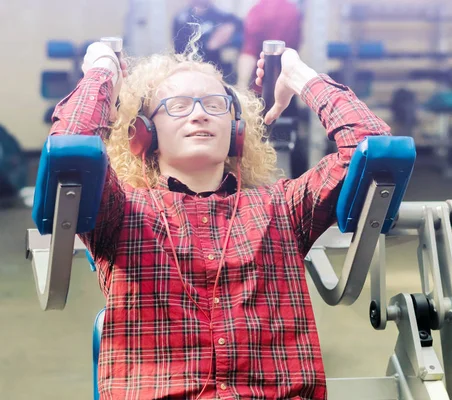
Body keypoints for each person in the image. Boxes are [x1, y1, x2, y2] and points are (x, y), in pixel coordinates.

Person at [48, 28, 390, 399]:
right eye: (178, 106)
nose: (200, 115)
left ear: (237, 129)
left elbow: (373, 146)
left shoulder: (283, 208)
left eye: (215, 105)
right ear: (144, 132)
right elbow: (71, 150)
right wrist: (103, 72)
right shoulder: (122, 210)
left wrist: (299, 75)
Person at [236, 0, 303, 93]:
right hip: (288, 84)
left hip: (262, 88)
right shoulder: (293, 11)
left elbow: (249, 52)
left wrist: (241, 87)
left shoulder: (258, 11)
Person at [173, 0, 243, 82]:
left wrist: (227, 35)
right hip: (192, 73)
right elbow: (180, 51)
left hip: (220, 72)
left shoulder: (224, 16)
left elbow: (240, 36)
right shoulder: (181, 19)